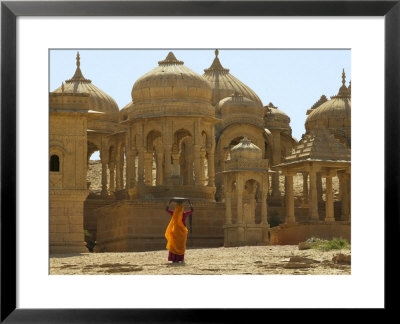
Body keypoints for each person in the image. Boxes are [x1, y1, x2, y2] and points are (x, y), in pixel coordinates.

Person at [165, 199, 193, 264]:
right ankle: (180, 258)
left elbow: (166, 210)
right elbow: (192, 210)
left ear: (176, 208)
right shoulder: (185, 214)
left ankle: (174, 259)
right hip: (182, 233)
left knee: (174, 245)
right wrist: (190, 203)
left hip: (175, 232)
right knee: (181, 245)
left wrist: (169, 202)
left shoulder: (174, 213)